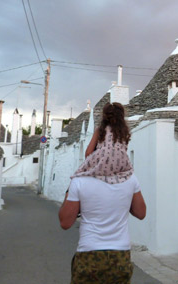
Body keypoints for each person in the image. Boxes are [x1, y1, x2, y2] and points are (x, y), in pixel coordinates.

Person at [59, 102, 146, 284]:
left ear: (99, 140)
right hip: (120, 257)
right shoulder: (130, 179)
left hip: (89, 255)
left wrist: (71, 188)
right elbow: (140, 213)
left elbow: (65, 222)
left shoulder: (81, 181)